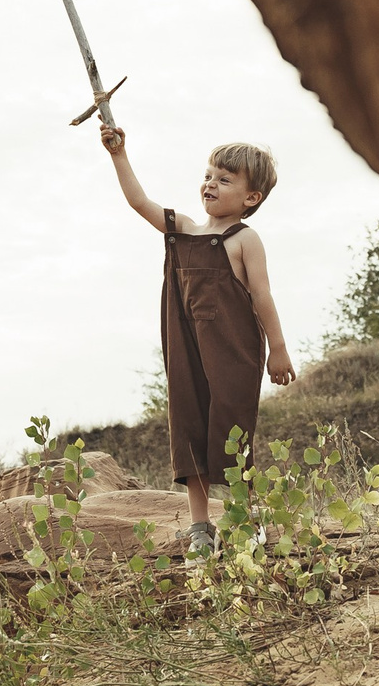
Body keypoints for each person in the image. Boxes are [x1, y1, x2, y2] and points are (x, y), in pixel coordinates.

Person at [100, 126, 296, 551]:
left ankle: (246, 518)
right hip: (185, 346)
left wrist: (278, 349)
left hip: (233, 351)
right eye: (209, 175)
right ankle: (201, 529)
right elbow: (138, 201)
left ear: (251, 198)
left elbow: (262, 295)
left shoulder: (245, 240)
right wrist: (119, 154)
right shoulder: (182, 231)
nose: (211, 183)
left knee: (232, 430)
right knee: (189, 423)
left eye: (225, 179)